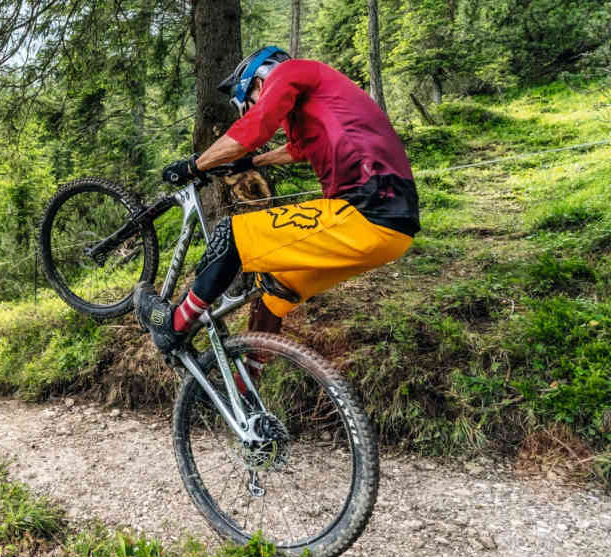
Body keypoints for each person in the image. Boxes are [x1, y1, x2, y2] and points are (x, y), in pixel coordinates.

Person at [135, 46, 420, 353]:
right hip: (392, 230)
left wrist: (194, 165)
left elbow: (255, 127)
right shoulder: (320, 96)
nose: (255, 105)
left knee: (230, 234)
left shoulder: (289, 71)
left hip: (364, 210)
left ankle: (174, 325)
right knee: (274, 295)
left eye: (250, 102)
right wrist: (251, 163)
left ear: (257, 82)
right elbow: (298, 149)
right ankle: (246, 390)